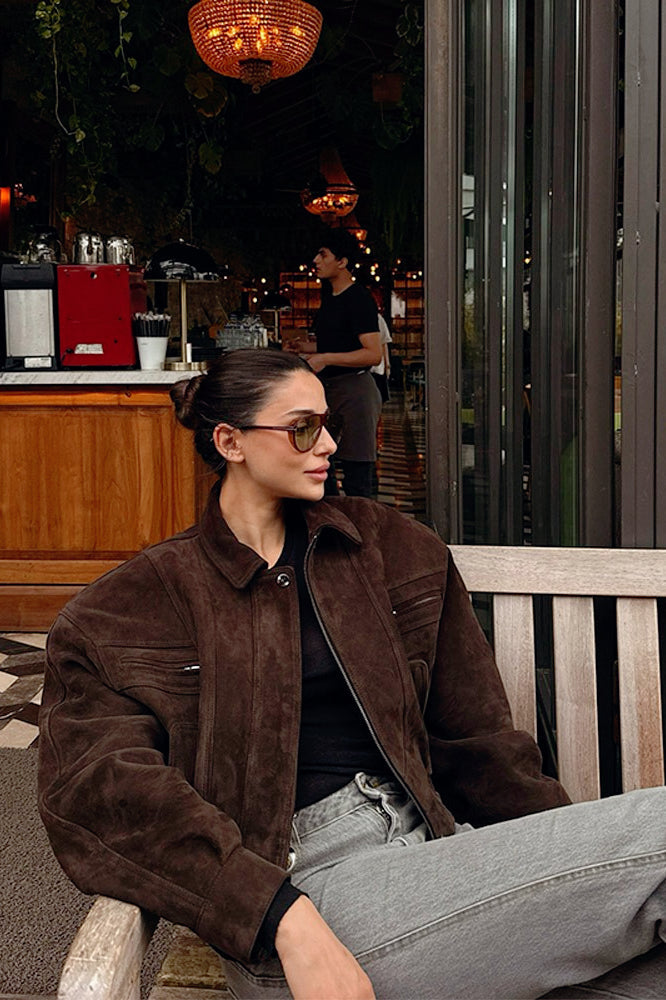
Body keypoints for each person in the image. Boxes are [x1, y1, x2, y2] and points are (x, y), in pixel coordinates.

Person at [38, 348, 666, 1000]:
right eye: (303, 428)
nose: (330, 444)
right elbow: (98, 793)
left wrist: (579, 874)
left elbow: (480, 745)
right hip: (307, 897)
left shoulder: (388, 548)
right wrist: (279, 915)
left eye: (328, 423)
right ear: (230, 442)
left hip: (438, 855)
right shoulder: (132, 607)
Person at [287, 229, 382, 499]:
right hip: (329, 392)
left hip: (355, 393)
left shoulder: (359, 299)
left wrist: (325, 358)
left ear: (342, 262)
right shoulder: (331, 298)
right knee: (321, 467)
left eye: (323, 254)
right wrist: (304, 348)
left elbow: (373, 354)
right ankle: (330, 522)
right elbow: (338, 343)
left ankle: (362, 526)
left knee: (357, 476)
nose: (316, 260)